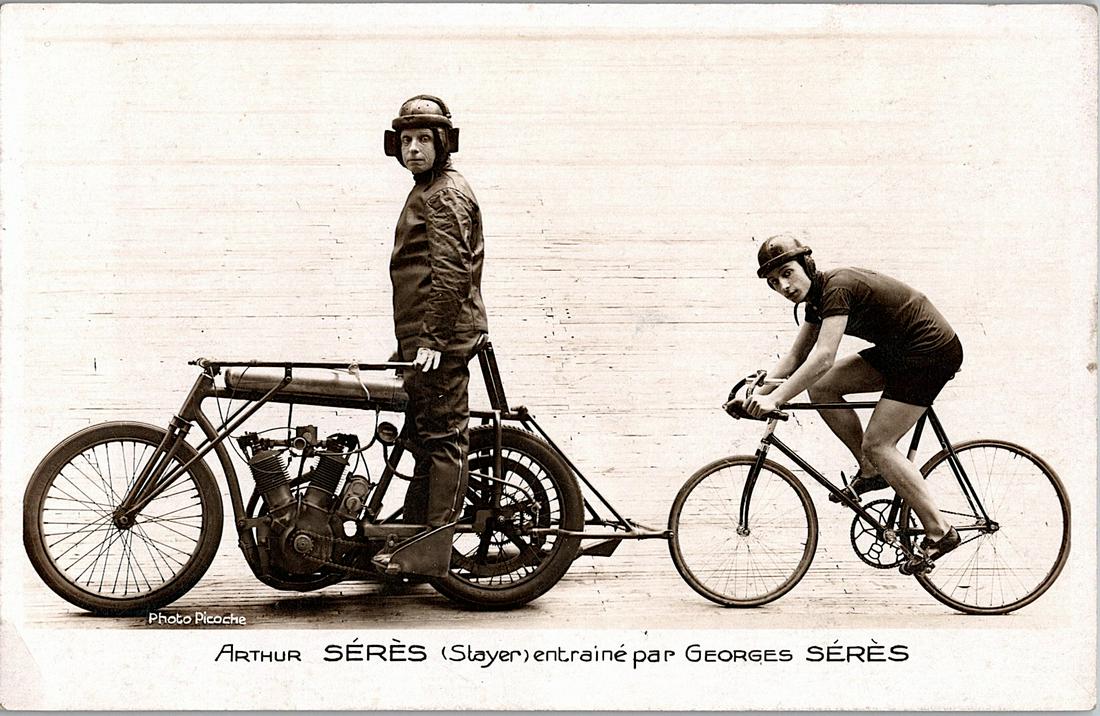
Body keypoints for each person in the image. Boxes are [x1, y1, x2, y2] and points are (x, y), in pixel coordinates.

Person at [743, 234, 963, 574]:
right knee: (823, 388)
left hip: (929, 352)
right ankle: (871, 470)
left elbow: (823, 357)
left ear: (807, 265)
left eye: (787, 273)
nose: (783, 286)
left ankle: (939, 531)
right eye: (774, 283)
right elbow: (797, 356)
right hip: (901, 350)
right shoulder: (815, 301)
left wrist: (775, 398)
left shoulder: (837, 287)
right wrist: (758, 390)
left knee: (879, 443)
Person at [373, 95, 488, 578]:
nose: (413, 149)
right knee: (423, 437)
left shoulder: (443, 194)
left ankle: (429, 551)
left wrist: (432, 342)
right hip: (424, 341)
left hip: (441, 342)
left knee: (442, 438)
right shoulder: (428, 188)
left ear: (443, 143)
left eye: (423, 139)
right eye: (406, 140)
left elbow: (450, 273)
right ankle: (413, 539)